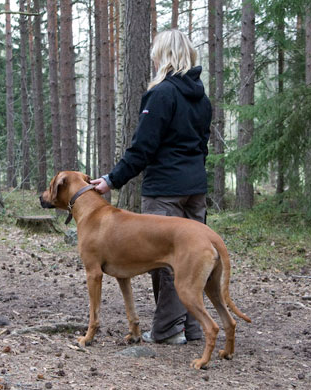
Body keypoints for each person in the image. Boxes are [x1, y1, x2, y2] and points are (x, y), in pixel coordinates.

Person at [91, 29, 212, 345]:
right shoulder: (202, 98)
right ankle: (193, 327)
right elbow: (202, 145)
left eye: (156, 53)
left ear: (165, 56)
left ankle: (169, 330)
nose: (154, 58)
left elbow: (142, 147)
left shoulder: (161, 94)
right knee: (190, 258)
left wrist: (111, 180)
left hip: (165, 190)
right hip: (195, 189)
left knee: (166, 260)